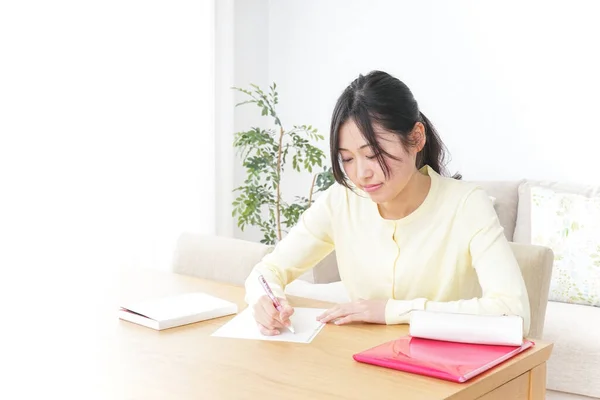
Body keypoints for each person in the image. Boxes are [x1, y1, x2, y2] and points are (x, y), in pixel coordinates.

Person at [244, 70, 530, 336]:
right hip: (362, 366)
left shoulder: (467, 205)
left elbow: (513, 312)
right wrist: (265, 300)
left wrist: (391, 311)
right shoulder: (341, 201)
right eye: (347, 159)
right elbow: (268, 271)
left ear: (416, 138)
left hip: (445, 375)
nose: (361, 173)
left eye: (373, 153)